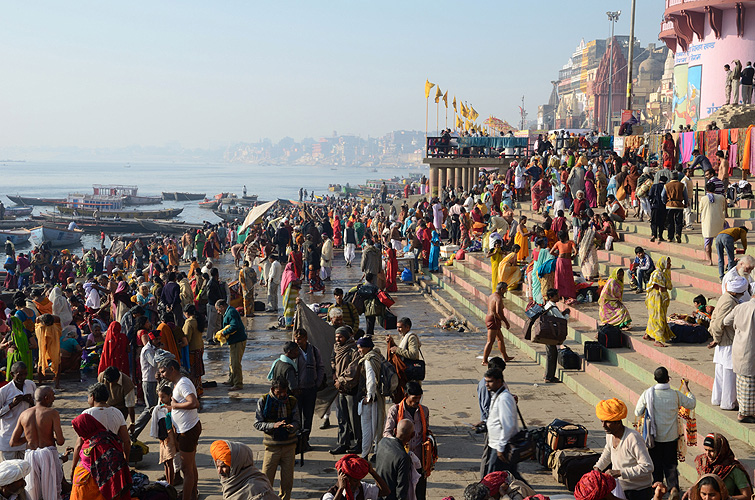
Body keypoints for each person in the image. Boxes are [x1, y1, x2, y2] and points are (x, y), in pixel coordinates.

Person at [634, 368, 695, 498]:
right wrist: (686, 388)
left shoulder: (647, 394)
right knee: (671, 465)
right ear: (668, 379)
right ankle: (673, 489)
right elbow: (692, 404)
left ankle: (658, 491)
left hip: (653, 438)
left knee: (656, 465)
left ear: (655, 379)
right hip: (671, 437)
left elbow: (637, 412)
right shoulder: (675, 394)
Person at [9, 387, 64, 500]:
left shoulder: (24, 414)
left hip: (30, 455)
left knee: (33, 491)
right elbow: (60, 441)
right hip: (48, 455)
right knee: (51, 490)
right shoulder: (52, 413)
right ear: (46, 398)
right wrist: (49, 436)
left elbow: (13, 442)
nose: (54, 399)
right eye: (53, 396)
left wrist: (30, 438)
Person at [594, 398, 654, 500]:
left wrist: (619, 472)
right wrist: (597, 468)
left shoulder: (633, 438)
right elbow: (607, 452)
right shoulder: (610, 434)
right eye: (602, 421)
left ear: (618, 422)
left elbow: (647, 467)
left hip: (638, 491)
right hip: (619, 488)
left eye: (607, 422)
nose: (603, 425)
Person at [159, 359, 201, 500]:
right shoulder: (178, 383)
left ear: (172, 369)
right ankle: (193, 494)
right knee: (191, 465)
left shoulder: (183, 383)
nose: (162, 375)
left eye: (163, 371)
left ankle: (187, 497)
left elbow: (194, 403)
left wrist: (175, 406)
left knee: (186, 469)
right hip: (187, 427)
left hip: (188, 430)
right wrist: (171, 408)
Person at [254, 377, 300, 500]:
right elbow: (258, 423)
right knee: (266, 480)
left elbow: (297, 421)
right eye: (279, 392)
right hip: (271, 447)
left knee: (287, 482)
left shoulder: (292, 401)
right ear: (272, 389)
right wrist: (273, 426)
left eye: (284, 392)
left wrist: (292, 427)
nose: (282, 395)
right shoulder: (263, 401)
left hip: (289, 447)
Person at [708, 277, 749, 411]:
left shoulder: (726, 298)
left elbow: (714, 318)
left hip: (723, 341)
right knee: (729, 375)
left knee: (721, 372)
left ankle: (718, 399)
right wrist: (717, 338)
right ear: (737, 292)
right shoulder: (729, 302)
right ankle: (728, 403)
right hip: (727, 342)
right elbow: (720, 322)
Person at [70, 413, 132, 500]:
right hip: (86, 485)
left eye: (78, 429)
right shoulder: (90, 439)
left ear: (86, 427)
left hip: (94, 488)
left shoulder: (100, 443)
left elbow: (112, 461)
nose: (79, 433)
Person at [480, 368, 522, 480]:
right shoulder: (496, 395)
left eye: (490, 381)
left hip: (502, 447)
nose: (487, 385)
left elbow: (508, 425)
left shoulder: (504, 398)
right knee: (510, 476)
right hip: (497, 445)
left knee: (495, 478)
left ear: (499, 381)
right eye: (486, 381)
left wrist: (500, 448)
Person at [210, 440, 279, 500]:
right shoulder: (232, 480)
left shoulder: (257, 488)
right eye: (217, 466)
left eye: (223, 466)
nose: (219, 471)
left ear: (238, 464)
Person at [331, 326, 362, 455]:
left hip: (351, 389)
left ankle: (359, 444)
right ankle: (343, 443)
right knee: (342, 418)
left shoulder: (354, 350)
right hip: (340, 389)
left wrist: (341, 381)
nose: (338, 339)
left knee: (354, 418)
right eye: (336, 337)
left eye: (340, 337)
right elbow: (332, 361)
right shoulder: (336, 348)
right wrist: (335, 376)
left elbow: (353, 370)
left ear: (347, 337)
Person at [694, 433, 752, 500]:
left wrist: (727, 498)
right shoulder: (703, 463)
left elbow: (747, 496)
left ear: (721, 450)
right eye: (706, 450)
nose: (708, 454)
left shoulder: (733, 469)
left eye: (712, 451)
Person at [294, 328, 324, 452]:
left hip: (311, 389)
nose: (297, 341)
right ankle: (297, 442)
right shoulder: (293, 351)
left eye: (300, 339)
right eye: (296, 339)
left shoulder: (314, 351)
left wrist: (317, 383)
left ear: (306, 338)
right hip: (297, 390)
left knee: (308, 416)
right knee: (296, 417)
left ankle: (305, 440)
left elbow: (320, 367)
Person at [357, 336, 385, 459]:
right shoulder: (377, 356)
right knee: (378, 425)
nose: (358, 350)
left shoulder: (368, 360)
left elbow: (371, 381)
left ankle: (364, 455)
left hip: (372, 399)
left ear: (367, 347)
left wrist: (369, 397)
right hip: (379, 397)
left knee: (367, 428)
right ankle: (377, 451)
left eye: (360, 347)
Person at [0, 362, 35, 461]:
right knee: (11, 471)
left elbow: (38, 406)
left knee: (27, 470)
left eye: (25, 374)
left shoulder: (30, 385)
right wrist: (11, 405)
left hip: (26, 436)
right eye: (20, 375)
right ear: (12, 374)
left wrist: (31, 401)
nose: (23, 377)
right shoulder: (4, 391)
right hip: (8, 436)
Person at [323, 453, 391, 500]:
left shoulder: (362, 489)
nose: (358, 484)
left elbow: (385, 492)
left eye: (359, 480)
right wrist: (341, 489)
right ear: (344, 478)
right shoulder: (330, 495)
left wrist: (372, 472)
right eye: (355, 481)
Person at [375, 419, 413, 500]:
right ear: (412, 435)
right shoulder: (403, 457)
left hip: (378, 493)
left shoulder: (382, 442)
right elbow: (402, 488)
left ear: (395, 430)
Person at [215, 299, 248, 390]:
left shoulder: (231, 312)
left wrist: (223, 333)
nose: (218, 312)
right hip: (234, 341)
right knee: (231, 362)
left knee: (235, 363)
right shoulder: (229, 311)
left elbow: (234, 326)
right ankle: (231, 379)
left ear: (222, 307)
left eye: (218, 309)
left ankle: (238, 384)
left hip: (238, 341)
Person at [644, 256, 674, 347]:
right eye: (668, 263)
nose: (669, 265)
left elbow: (668, 286)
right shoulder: (658, 274)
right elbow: (662, 288)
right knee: (658, 317)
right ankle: (658, 339)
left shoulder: (664, 273)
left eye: (669, 263)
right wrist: (666, 299)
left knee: (653, 316)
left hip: (658, 296)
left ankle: (647, 334)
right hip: (656, 297)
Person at [541, 288, 569, 383]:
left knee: (551, 353)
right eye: (556, 295)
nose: (558, 297)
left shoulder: (548, 305)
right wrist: (567, 314)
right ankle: (549, 377)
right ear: (551, 297)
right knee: (551, 355)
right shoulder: (552, 307)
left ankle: (548, 375)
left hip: (548, 332)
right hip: (551, 334)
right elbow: (562, 320)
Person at [97, 366, 136, 430]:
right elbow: (98, 395)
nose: (110, 384)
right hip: (106, 407)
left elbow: (130, 406)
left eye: (112, 382)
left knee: (117, 430)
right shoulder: (102, 376)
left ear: (117, 379)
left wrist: (132, 423)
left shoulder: (127, 384)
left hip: (120, 410)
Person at [483, 283, 513, 365]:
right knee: (490, 341)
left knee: (500, 339)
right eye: (505, 289)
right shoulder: (498, 298)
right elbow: (498, 312)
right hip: (493, 320)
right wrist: (506, 322)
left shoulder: (492, 295)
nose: (506, 291)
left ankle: (505, 357)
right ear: (502, 289)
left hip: (492, 319)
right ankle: (484, 360)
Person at [700, 182, 727, 266]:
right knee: (720, 242)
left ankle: (709, 260)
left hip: (707, 223)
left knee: (707, 243)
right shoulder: (721, 197)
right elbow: (723, 208)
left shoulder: (703, 199)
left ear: (706, 189)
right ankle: (720, 260)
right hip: (718, 222)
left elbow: (700, 209)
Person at [183, 305, 204, 396]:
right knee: (197, 371)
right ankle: (199, 389)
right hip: (200, 347)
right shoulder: (198, 319)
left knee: (192, 372)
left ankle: (193, 391)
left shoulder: (189, 322)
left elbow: (187, 338)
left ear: (186, 313)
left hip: (192, 349)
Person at [551, 230, 577, 300]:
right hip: (567, 261)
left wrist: (558, 255)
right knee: (568, 277)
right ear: (566, 236)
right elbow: (576, 251)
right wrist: (573, 256)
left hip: (560, 260)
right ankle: (568, 293)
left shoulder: (558, 243)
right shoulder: (571, 242)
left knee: (560, 277)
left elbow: (551, 252)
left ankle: (560, 293)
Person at [649, 176, 668, 242]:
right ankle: (660, 236)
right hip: (663, 207)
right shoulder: (666, 186)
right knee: (661, 222)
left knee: (654, 221)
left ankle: (654, 234)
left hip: (655, 206)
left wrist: (651, 203)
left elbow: (650, 195)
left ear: (659, 180)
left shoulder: (654, 186)